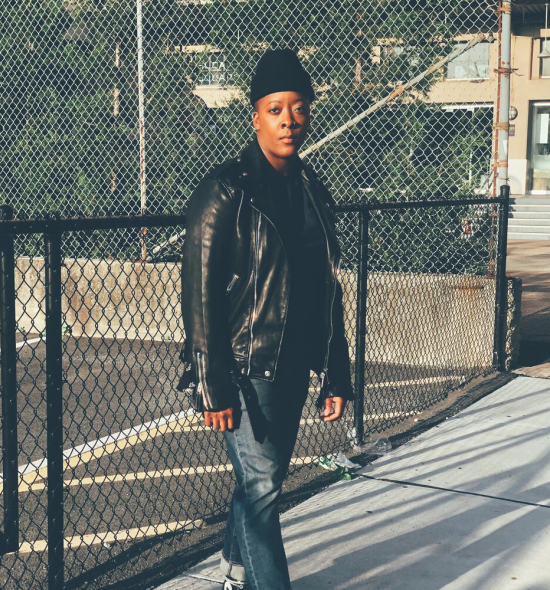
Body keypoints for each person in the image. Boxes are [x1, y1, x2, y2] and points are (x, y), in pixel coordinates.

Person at [178, 48, 355, 590]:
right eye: (276, 108)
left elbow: (328, 290)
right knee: (261, 486)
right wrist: (213, 384)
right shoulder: (225, 190)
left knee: (265, 478)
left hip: (295, 360)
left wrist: (336, 369)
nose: (288, 120)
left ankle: (233, 566)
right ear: (255, 115)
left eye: (298, 108)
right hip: (242, 365)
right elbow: (200, 293)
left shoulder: (314, 193)